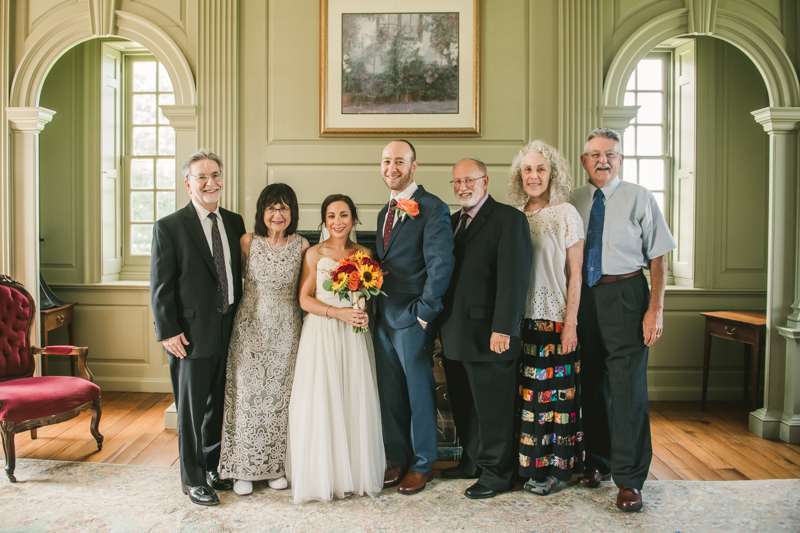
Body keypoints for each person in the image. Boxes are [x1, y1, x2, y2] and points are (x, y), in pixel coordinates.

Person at [571, 128, 676, 512]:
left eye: (610, 154)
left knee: (626, 387)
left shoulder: (639, 197)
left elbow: (659, 255)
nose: (603, 160)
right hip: (583, 296)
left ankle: (630, 479)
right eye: (595, 154)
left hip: (627, 293)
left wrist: (655, 307)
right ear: (584, 160)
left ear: (621, 160)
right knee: (591, 381)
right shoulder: (573, 199)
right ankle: (598, 461)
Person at [150, 149, 246, 506]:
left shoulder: (234, 222)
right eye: (202, 176)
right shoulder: (170, 226)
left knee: (219, 405)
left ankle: (211, 466)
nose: (210, 182)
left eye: (215, 174)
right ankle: (192, 480)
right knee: (189, 412)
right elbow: (161, 286)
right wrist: (167, 331)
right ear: (188, 183)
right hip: (188, 334)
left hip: (230, 329)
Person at [438, 158, 532, 499]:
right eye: (457, 181)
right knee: (466, 404)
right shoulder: (451, 223)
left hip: (492, 335)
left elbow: (514, 279)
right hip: (455, 333)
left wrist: (504, 328)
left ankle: (497, 472)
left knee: (493, 407)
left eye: (469, 180)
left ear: (485, 181)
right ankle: (473, 462)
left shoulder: (509, 219)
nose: (462, 186)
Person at [287, 195, 385, 504]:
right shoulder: (314, 254)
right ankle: (323, 474)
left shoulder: (365, 254)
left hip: (354, 336)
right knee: (323, 399)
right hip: (322, 332)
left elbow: (368, 295)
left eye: (344, 215)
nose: (337, 221)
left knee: (353, 397)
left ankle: (353, 473)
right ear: (324, 221)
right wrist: (337, 313)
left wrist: (359, 308)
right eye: (331, 216)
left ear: (354, 219)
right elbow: (304, 299)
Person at [373, 140, 455, 495]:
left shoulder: (433, 207)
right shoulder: (382, 212)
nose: (392, 167)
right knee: (391, 393)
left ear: (413, 166)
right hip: (382, 317)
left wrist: (424, 314)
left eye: (400, 161)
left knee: (419, 393)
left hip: (412, 318)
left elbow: (441, 264)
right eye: (387, 161)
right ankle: (398, 459)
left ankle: (423, 464)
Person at [217, 184, 310, 496]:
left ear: (292, 213)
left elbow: (307, 290)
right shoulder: (247, 242)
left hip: (287, 329)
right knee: (246, 396)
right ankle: (243, 469)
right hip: (250, 327)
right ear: (262, 212)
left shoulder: (302, 245)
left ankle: (275, 468)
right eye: (272, 208)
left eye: (284, 208)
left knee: (280, 399)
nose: (278, 214)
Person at [508, 141, 585, 496]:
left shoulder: (565, 213)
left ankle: (557, 470)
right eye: (527, 169)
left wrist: (570, 324)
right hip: (521, 322)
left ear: (552, 173)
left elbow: (576, 274)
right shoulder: (514, 215)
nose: (533, 176)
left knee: (556, 400)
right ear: (519, 175)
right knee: (529, 398)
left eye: (540, 169)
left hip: (555, 321)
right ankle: (530, 466)